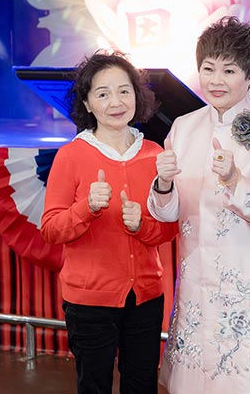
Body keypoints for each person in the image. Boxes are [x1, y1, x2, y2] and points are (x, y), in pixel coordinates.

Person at [147, 16, 250, 393]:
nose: (216, 80)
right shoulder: (183, 127)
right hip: (197, 284)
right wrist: (163, 184)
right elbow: (169, 213)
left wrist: (236, 181)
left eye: (229, 70)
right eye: (208, 68)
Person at [41, 51, 179, 394]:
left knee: (142, 384)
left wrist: (141, 225)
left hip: (145, 297)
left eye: (124, 91)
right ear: (87, 103)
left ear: (137, 95)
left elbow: (169, 228)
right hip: (89, 301)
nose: (115, 102)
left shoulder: (155, 154)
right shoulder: (71, 156)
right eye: (103, 94)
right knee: (94, 385)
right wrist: (86, 208)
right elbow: (51, 229)